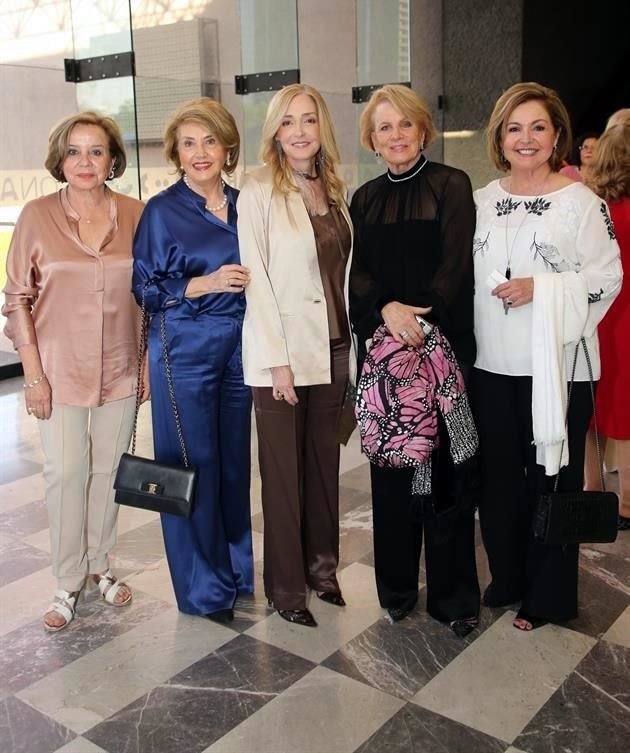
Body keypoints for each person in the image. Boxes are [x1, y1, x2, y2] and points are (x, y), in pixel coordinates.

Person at [472, 82, 622, 631]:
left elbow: (608, 278)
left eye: (538, 127)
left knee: (550, 479)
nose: (526, 138)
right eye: (514, 128)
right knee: (500, 482)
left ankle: (548, 595)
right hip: (491, 366)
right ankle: (508, 577)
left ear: (556, 135)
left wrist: (544, 288)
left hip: (557, 368)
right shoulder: (483, 200)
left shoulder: (583, 203)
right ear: (500, 138)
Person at [3, 111, 144, 632]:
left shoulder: (135, 213)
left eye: (96, 151)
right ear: (60, 160)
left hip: (121, 366)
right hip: (58, 371)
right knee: (65, 472)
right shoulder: (37, 216)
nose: (85, 161)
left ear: (112, 160)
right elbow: (16, 299)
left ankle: (100, 565)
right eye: (74, 151)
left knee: (109, 473)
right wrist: (33, 376)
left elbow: (148, 296)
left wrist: (147, 363)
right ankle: (67, 580)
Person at [349, 84, 480, 636]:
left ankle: (453, 598)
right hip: (385, 358)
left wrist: (421, 323)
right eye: (384, 128)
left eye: (405, 124)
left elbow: (457, 263)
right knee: (392, 475)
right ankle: (397, 591)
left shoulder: (452, 185)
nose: (396, 136)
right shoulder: (363, 198)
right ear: (372, 140)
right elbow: (356, 274)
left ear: (423, 129)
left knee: (449, 478)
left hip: (442, 351)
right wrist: (386, 310)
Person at [132, 98, 253, 622]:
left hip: (242, 347)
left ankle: (235, 571)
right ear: (175, 153)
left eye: (209, 141)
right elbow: (144, 287)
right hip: (183, 346)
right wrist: (201, 283)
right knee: (190, 466)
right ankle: (201, 586)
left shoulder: (250, 203)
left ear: (227, 147)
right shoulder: (162, 210)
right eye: (188, 143)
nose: (200, 153)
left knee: (233, 465)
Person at [237, 84, 352, 628]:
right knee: (283, 476)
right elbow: (255, 280)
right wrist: (276, 361)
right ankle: (287, 590)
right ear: (275, 132)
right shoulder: (257, 189)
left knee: (323, 467)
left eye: (308, 120)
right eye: (288, 122)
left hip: (333, 347)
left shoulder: (334, 188)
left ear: (321, 126)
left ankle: (322, 571)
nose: (300, 131)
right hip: (281, 355)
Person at [583, 117, 630, 529]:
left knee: (593, 410)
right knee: (626, 412)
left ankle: (593, 491)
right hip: (626, 318)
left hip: (597, 317)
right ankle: (629, 502)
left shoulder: (593, 207)